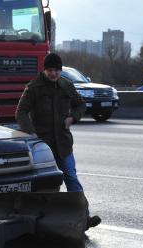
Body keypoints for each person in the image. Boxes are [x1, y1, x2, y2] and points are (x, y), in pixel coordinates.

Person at [15, 53, 101, 229]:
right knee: (48, 184)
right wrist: (31, 132)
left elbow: (81, 104)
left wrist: (72, 118)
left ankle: (84, 218)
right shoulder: (34, 88)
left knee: (71, 177)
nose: (54, 74)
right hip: (43, 146)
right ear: (44, 70)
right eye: (50, 70)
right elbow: (21, 112)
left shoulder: (66, 85)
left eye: (57, 70)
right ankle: (46, 222)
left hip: (63, 143)